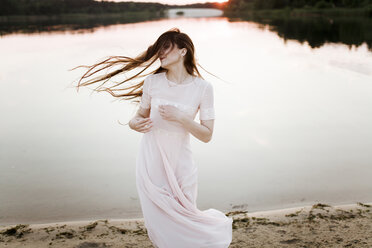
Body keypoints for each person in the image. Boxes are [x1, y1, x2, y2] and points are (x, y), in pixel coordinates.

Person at [72, 27, 232, 248]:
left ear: (183, 51)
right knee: (160, 220)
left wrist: (181, 118)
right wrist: (133, 123)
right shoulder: (152, 82)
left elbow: (207, 135)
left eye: (166, 47)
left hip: (181, 160)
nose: (161, 53)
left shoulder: (203, 88)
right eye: (159, 49)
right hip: (151, 158)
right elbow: (138, 116)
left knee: (186, 214)